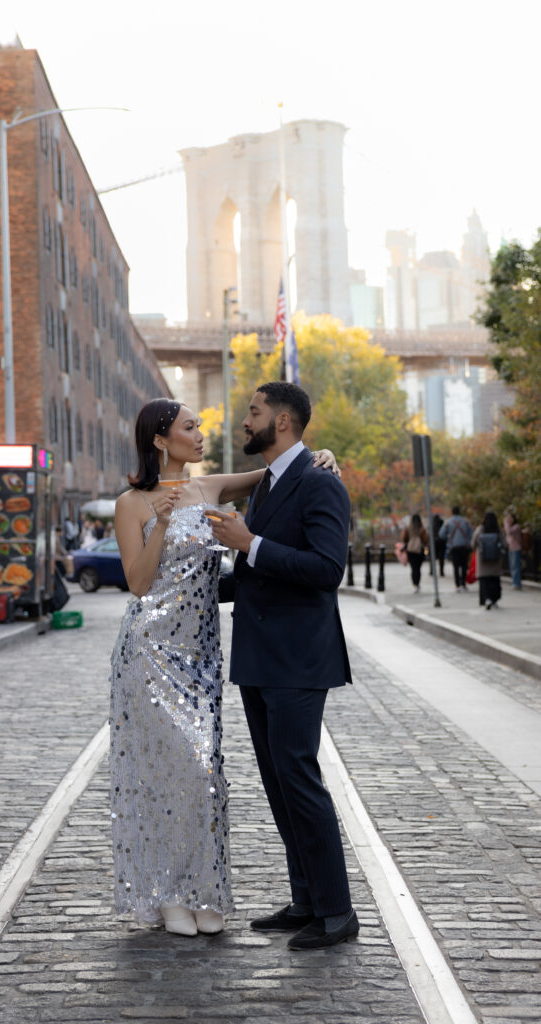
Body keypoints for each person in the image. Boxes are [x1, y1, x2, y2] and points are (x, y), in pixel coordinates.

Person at [110, 397, 339, 937]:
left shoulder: (209, 488)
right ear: (161, 440)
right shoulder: (132, 502)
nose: (202, 433)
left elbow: (277, 470)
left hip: (202, 659)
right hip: (150, 655)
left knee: (205, 776)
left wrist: (322, 454)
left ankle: (203, 889)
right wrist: (162, 525)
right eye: (191, 426)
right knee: (166, 774)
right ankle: (167, 891)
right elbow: (139, 584)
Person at [208, 382, 357, 951]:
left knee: (299, 777)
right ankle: (307, 900)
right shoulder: (266, 485)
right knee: (278, 783)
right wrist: (192, 588)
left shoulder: (320, 484)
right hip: (259, 657)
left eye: (254, 412)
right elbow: (254, 573)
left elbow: (325, 569)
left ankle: (338, 912)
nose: (245, 421)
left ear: (285, 421)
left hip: (298, 659)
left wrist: (249, 544)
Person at [473, 509, 505, 609]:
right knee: (495, 580)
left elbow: (473, 543)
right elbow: (504, 543)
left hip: (483, 561)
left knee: (484, 582)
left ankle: (486, 599)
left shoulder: (480, 529)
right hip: (495, 561)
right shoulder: (498, 530)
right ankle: (494, 599)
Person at [439, 505, 474, 592]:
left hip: (454, 547)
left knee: (456, 566)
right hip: (464, 546)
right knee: (464, 565)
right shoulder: (465, 521)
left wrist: (449, 538)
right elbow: (471, 533)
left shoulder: (448, 522)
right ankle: (463, 584)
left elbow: (441, 534)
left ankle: (457, 584)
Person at [401, 513, 428, 593]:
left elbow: (404, 538)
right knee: (418, 568)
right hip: (419, 550)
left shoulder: (408, 528)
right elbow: (425, 540)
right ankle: (417, 583)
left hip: (410, 550)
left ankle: (414, 584)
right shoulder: (421, 529)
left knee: (413, 568)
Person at [504, 507, 523, 590]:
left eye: (510, 518)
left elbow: (509, 531)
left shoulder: (516, 526)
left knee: (516, 566)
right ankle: (514, 582)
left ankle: (517, 583)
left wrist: (506, 522)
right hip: (511, 548)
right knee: (512, 566)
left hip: (516, 548)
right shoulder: (511, 527)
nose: (509, 520)